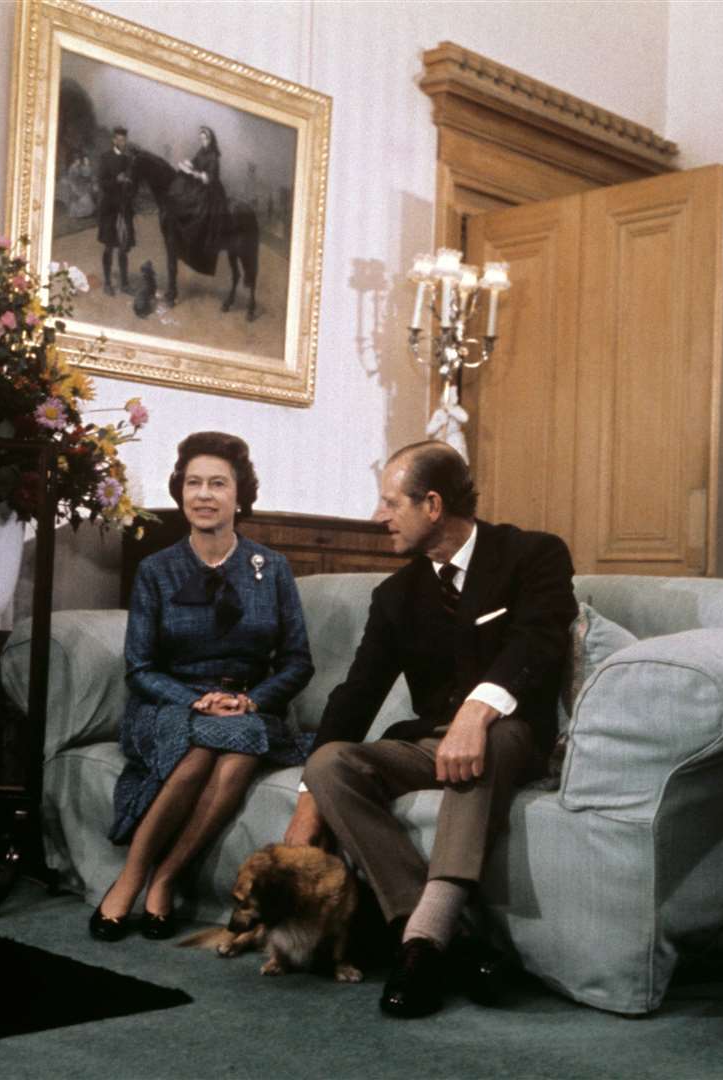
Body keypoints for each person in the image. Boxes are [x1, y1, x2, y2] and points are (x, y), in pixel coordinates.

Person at [284, 440, 577, 1018]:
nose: (378, 517)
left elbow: (538, 640)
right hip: (426, 738)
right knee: (329, 765)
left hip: (511, 732)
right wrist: (305, 801)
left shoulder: (532, 555)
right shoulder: (396, 594)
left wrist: (477, 711)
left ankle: (417, 948)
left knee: (479, 746)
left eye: (391, 503)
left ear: (433, 504)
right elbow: (357, 693)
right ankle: (447, 941)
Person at [92, 432, 315, 942]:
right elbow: (140, 667)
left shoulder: (273, 569)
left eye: (218, 483)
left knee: (237, 751)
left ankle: (165, 879)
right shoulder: (156, 570)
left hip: (248, 703)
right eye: (193, 483)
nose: (204, 494)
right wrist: (196, 700)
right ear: (180, 492)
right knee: (195, 753)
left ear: (240, 495)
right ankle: (129, 880)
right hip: (169, 701)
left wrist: (250, 700)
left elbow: (298, 662)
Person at [173, 125, 228, 276]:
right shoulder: (201, 151)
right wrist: (186, 164)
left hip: (211, 189)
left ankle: (198, 246)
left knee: (200, 210)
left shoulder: (214, 156)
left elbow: (209, 178)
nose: (202, 141)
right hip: (200, 185)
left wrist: (194, 173)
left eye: (204, 138)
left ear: (210, 140)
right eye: (201, 138)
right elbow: (195, 162)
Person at [96, 126, 136, 295]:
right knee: (108, 246)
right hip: (110, 209)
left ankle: (125, 283)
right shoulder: (105, 158)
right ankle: (107, 283)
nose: (122, 142)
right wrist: (116, 180)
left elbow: (134, 185)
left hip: (124, 209)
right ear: (114, 140)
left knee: (123, 247)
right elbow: (101, 182)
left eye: (124, 139)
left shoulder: (129, 160)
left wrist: (129, 184)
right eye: (119, 139)